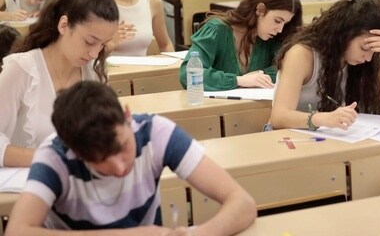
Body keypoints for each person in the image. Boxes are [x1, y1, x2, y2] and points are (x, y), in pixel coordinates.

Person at [5, 80, 256, 235]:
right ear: (74, 149)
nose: (119, 166)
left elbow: (242, 203)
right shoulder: (54, 155)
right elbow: (17, 231)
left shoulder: (156, 132)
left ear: (127, 115)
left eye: (122, 147)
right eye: (100, 159)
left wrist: (199, 234)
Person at [0, 0, 119, 168]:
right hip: (25, 187)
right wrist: (52, 159)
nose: (94, 53)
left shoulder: (93, 75)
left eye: (102, 45)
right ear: (64, 25)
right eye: (89, 41)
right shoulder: (21, 69)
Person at [269, 0, 380, 130]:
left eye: (374, 51)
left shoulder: (367, 60)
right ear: (345, 35)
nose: (368, 58)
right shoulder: (302, 54)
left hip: (330, 139)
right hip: (289, 139)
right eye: (364, 48)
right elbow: (278, 117)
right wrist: (323, 118)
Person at [180, 0, 302, 91]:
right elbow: (188, 75)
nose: (280, 30)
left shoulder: (273, 38)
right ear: (260, 9)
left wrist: (259, 76)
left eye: (285, 24)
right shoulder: (217, 30)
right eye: (277, 21)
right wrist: (239, 80)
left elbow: (285, 69)